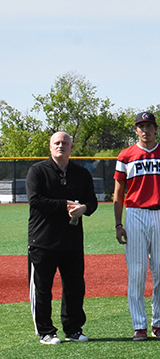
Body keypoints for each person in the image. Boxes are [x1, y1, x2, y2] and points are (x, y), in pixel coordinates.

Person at [114, 111, 160, 340]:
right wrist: (118, 223)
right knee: (136, 273)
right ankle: (139, 326)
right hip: (134, 214)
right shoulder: (126, 156)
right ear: (136, 130)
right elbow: (118, 193)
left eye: (149, 126)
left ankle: (159, 323)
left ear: (156, 129)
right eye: (141, 126)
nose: (145, 130)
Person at [27, 131, 98, 344]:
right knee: (42, 289)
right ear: (50, 147)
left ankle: (73, 329)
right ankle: (46, 331)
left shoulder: (81, 174)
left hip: (72, 242)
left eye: (64, 143)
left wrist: (84, 208)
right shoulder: (37, 171)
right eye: (56, 143)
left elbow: (92, 203)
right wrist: (66, 205)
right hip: (43, 241)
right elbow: (35, 200)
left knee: (74, 287)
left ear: (71, 148)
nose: (60, 146)